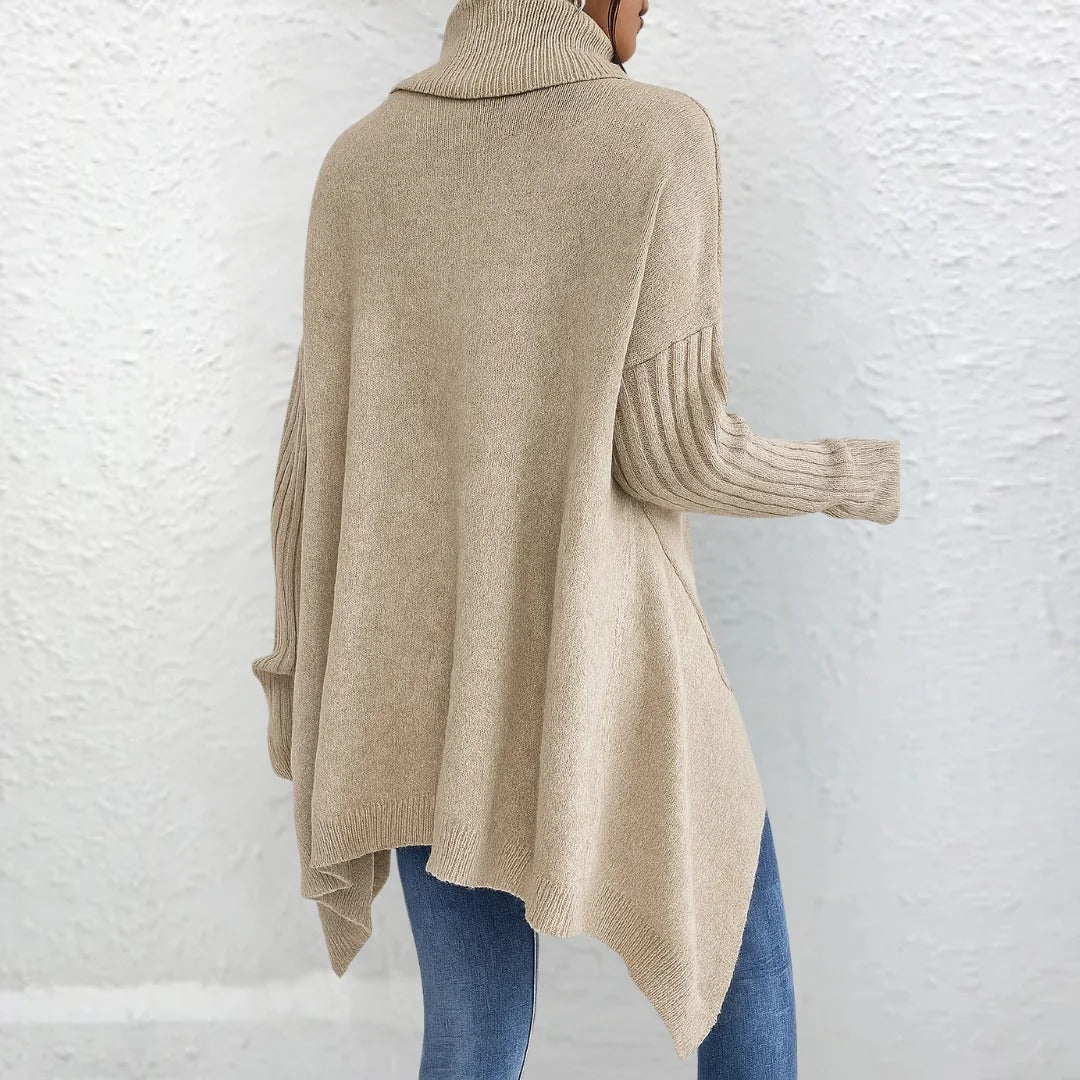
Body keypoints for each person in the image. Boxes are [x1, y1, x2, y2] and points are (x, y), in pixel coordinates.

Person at [250, 0, 901, 1076]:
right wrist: (860, 474)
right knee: (740, 978)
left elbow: (309, 468)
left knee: (472, 1039)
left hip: (411, 681)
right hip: (607, 661)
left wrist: (301, 677)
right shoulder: (658, 136)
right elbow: (676, 454)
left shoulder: (360, 162)